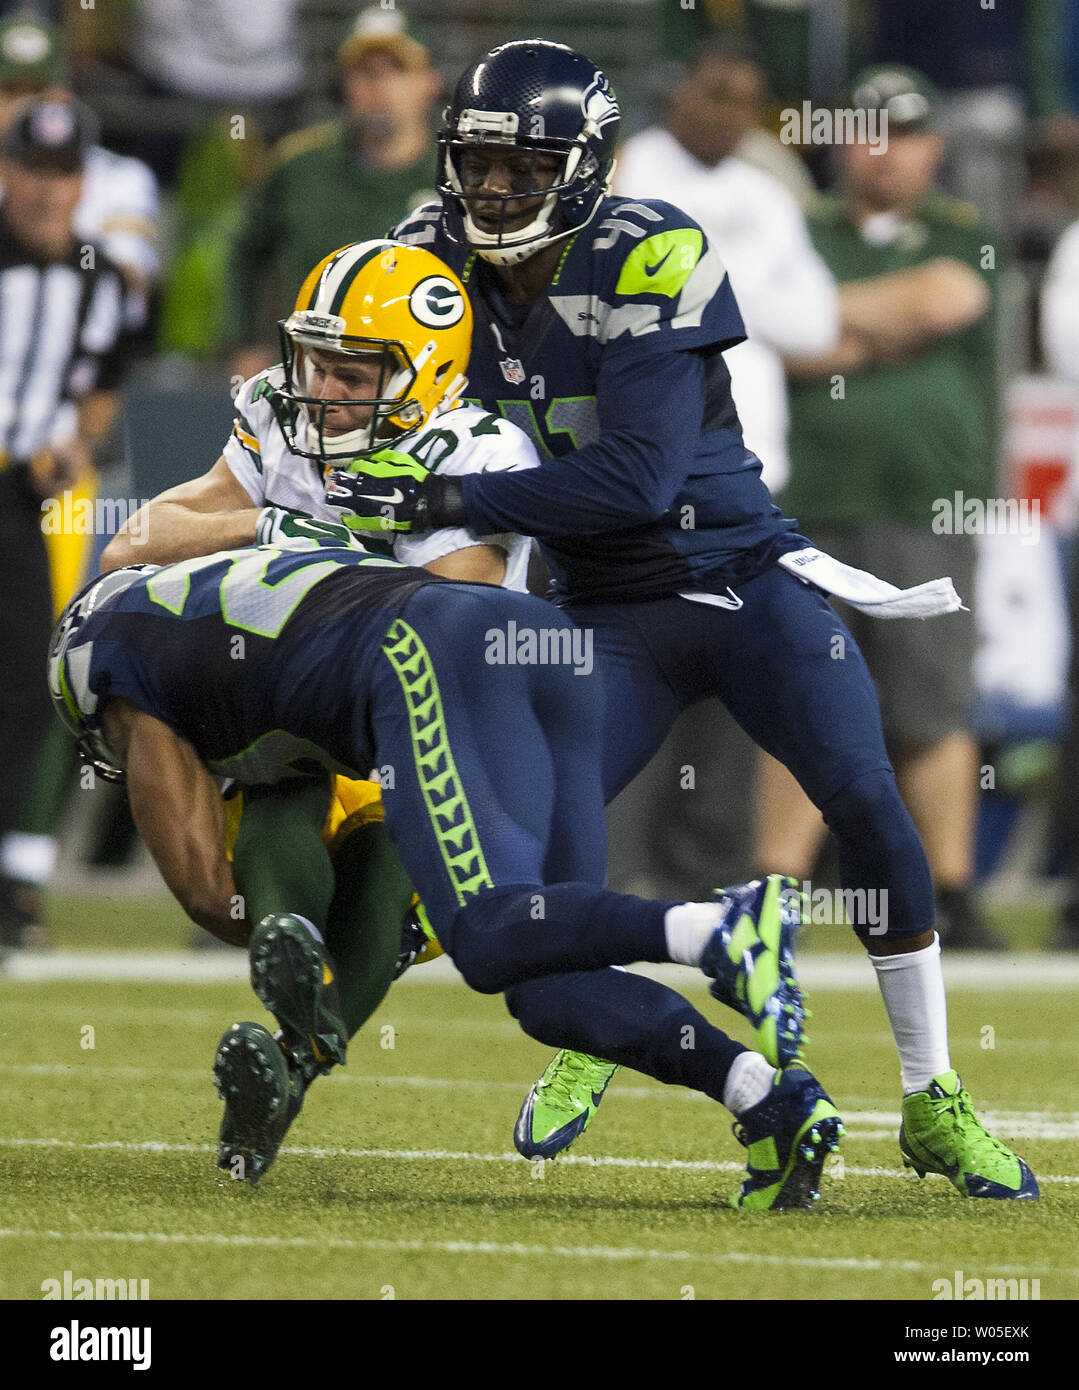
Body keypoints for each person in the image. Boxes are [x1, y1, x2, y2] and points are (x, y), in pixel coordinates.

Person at [331, 38, 1037, 1200]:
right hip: (597, 610)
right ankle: (595, 1035)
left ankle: (930, 1093)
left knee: (864, 795)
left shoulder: (646, 249)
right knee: (534, 860)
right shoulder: (427, 256)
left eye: (520, 169)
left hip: (736, 579)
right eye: (477, 164)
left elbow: (638, 481)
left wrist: (450, 493)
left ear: (585, 165)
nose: (491, 191)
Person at [49, 543, 836, 1212]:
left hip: (424, 649)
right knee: (548, 984)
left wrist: (278, 938)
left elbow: (201, 889)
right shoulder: (226, 617)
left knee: (485, 935)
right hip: (538, 638)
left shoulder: (121, 668)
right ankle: (767, 1099)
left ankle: (717, 927)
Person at [102, 238, 644, 1180]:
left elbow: (447, 615)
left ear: (425, 375)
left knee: (389, 854)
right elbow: (134, 544)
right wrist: (267, 526)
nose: (323, 391)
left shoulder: (476, 454)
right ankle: (291, 996)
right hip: (300, 714)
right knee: (280, 780)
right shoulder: (281, 419)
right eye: (314, 362)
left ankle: (296, 1045)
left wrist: (300, 569)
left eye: (353, 372)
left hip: (441, 730)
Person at [770, 67, 1005, 953]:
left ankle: (951, 888)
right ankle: (779, 892)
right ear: (840, 141)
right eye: (868, 130)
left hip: (926, 504)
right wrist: (885, 322)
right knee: (794, 696)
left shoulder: (962, 235)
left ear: (930, 147)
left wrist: (828, 326)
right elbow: (774, 335)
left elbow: (952, 296)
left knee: (930, 703)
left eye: (902, 132)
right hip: (807, 500)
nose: (884, 149)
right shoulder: (800, 230)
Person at [0, 96, 139, 948]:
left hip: (24, 495)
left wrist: (77, 446)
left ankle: (16, 885)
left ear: (80, 181)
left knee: (26, 680)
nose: (47, 191)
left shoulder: (100, 278)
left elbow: (102, 383)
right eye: (32, 171)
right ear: (8, 173)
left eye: (62, 174)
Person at [224, 6, 440, 382]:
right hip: (310, 377)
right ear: (344, 83)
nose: (379, 87)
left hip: (421, 376)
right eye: (364, 73)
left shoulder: (454, 174)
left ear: (429, 82)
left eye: (398, 71)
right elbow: (246, 251)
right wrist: (244, 342)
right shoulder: (299, 165)